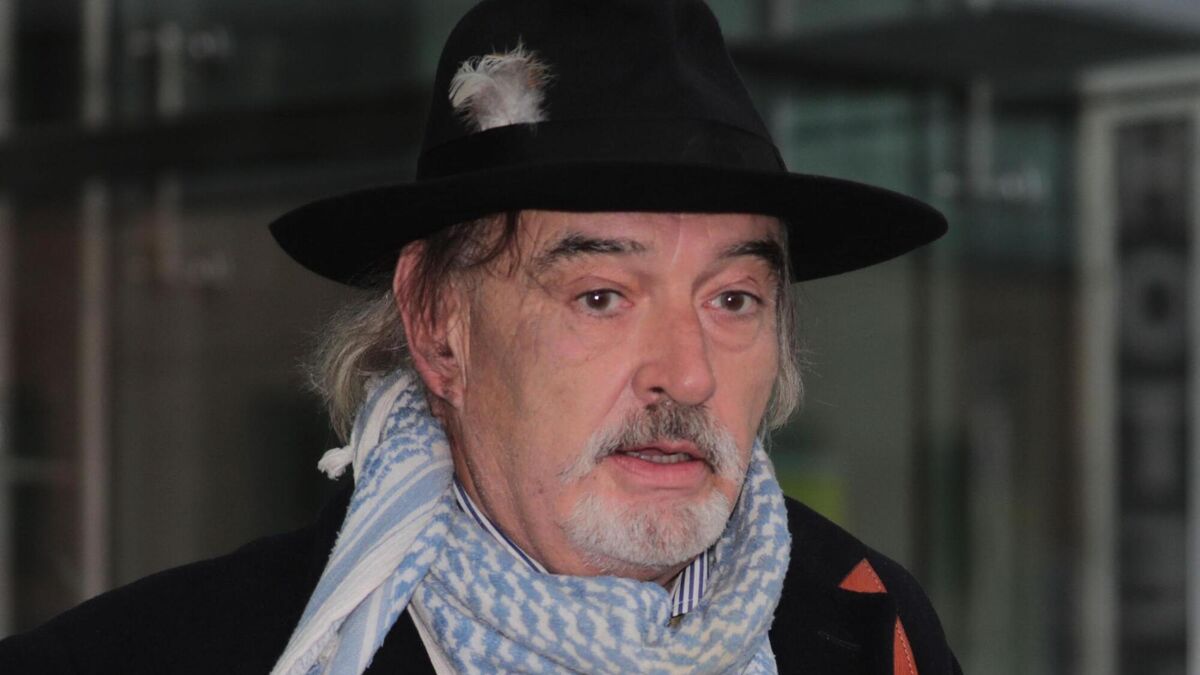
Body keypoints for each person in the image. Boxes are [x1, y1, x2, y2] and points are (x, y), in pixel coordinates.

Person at [0, 0, 961, 673]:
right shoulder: (171, 653)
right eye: (601, 295)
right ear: (437, 323)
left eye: (735, 299)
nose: (687, 373)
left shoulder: (867, 627)